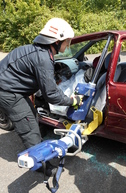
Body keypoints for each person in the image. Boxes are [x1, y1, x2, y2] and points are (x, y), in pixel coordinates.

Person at [0, 18, 82, 149]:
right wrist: (72, 101)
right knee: (29, 128)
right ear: (57, 41)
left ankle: (37, 143)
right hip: (8, 92)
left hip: (11, 88)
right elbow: (51, 95)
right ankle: (43, 164)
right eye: (67, 41)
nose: (68, 45)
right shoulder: (43, 58)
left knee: (31, 116)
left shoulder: (40, 51)